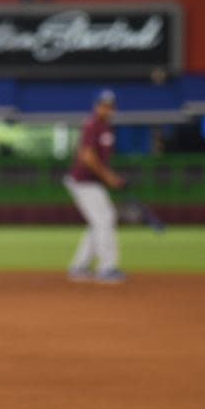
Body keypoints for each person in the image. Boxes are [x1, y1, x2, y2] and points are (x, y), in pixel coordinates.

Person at [64, 90, 126, 284]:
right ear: (96, 105)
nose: (106, 108)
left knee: (99, 222)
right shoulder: (93, 125)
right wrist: (109, 177)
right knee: (105, 219)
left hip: (91, 182)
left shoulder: (105, 127)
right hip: (84, 181)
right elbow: (88, 157)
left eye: (109, 105)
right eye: (103, 104)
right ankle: (107, 268)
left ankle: (80, 266)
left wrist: (109, 177)